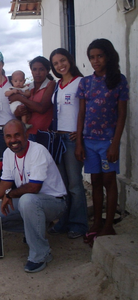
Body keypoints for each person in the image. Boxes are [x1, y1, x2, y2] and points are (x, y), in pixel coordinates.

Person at [0, 119, 67, 273]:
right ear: (4, 139)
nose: (13, 140)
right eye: (8, 137)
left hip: (54, 203)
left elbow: (34, 187)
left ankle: (41, 254)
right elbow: (4, 183)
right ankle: (36, 228)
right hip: (30, 203)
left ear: (26, 135)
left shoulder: (38, 151)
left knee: (27, 200)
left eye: (17, 135)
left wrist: (10, 194)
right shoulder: (8, 153)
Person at [75, 39, 129, 245]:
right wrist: (79, 142)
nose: (95, 61)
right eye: (92, 57)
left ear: (108, 56)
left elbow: (122, 115)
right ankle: (96, 223)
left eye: (99, 56)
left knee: (109, 181)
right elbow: (81, 114)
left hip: (107, 142)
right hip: (88, 141)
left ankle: (108, 226)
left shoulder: (118, 80)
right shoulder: (85, 82)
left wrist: (115, 143)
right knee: (95, 182)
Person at [45, 48, 88, 239]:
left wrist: (80, 136)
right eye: (55, 63)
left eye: (63, 61)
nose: (60, 65)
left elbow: (86, 112)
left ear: (69, 60)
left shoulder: (81, 82)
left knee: (75, 184)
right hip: (58, 139)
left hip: (72, 140)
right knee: (61, 185)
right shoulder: (57, 85)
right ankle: (63, 221)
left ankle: (78, 224)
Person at [9, 56, 56, 139]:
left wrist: (19, 98)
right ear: (31, 71)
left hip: (42, 134)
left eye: (41, 69)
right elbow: (13, 104)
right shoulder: (28, 87)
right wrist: (19, 111)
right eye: (34, 69)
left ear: (47, 71)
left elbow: (42, 108)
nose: (37, 73)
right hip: (26, 134)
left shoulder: (50, 84)